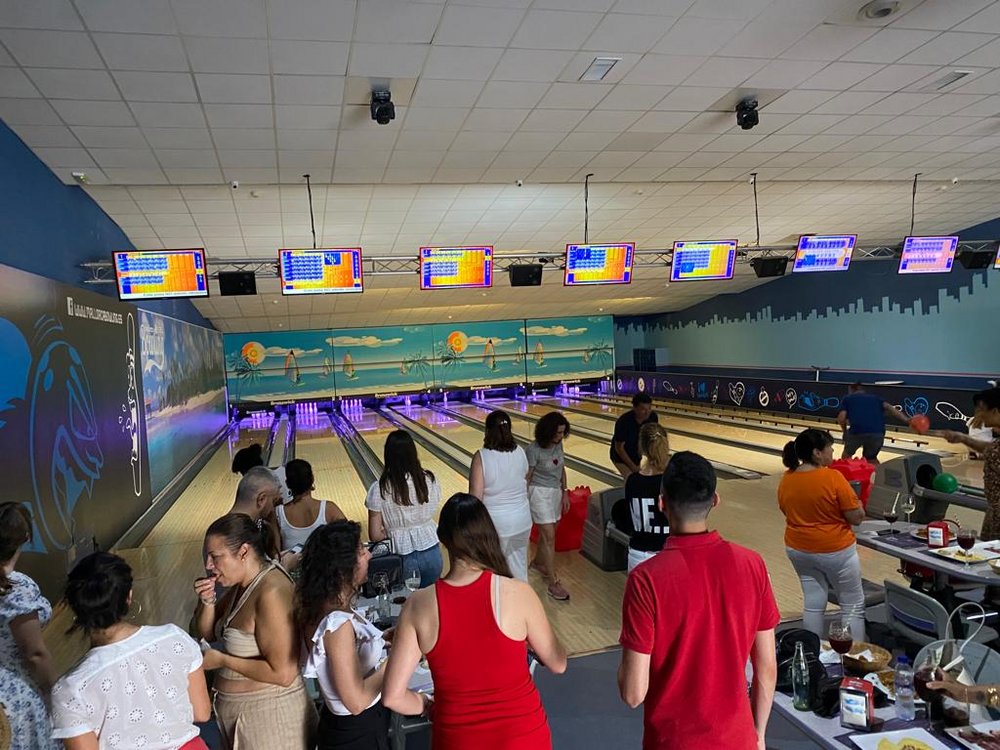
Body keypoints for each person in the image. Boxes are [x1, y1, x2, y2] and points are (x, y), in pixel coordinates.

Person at [618, 452, 779, 750]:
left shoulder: (645, 579)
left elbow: (632, 694)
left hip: (672, 742)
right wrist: (758, 735)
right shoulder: (752, 564)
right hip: (738, 739)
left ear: (661, 503)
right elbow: (767, 667)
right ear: (715, 500)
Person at [382, 493, 567, 750]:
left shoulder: (418, 605)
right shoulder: (519, 593)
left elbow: (392, 697)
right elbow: (558, 664)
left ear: (443, 539)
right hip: (524, 737)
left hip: (457, 739)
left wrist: (429, 707)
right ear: (488, 535)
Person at [51, 552, 212, 750]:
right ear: (128, 596)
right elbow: (202, 713)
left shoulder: (71, 688)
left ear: (74, 607)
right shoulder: (174, 638)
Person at [193, 514, 317, 750]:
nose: (208, 565)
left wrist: (222, 660)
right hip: (247, 720)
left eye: (215, 557)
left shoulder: (270, 592)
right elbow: (208, 634)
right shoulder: (241, 585)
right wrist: (207, 602)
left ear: (243, 551)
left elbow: (283, 674)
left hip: (272, 722)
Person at [298, 520, 390, 750]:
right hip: (356, 732)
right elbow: (356, 701)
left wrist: (384, 639)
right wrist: (396, 658)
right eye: (361, 551)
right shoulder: (336, 624)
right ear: (342, 567)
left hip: (341, 726)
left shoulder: (319, 606)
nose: (368, 555)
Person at [779, 428, 867, 642]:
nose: (833, 453)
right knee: (852, 604)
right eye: (830, 449)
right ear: (817, 453)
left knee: (813, 602)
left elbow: (785, 509)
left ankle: (813, 654)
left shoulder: (787, 478)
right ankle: (854, 657)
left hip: (798, 549)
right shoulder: (833, 477)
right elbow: (856, 517)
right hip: (835, 550)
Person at [0, 502, 58, 750]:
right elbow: (35, 654)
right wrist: (56, 692)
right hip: (15, 699)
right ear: (26, 538)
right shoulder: (16, 589)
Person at [366, 429, 444, 588]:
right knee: (432, 603)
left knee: (407, 605)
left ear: (388, 455)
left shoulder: (379, 488)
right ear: (413, 453)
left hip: (401, 556)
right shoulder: (429, 479)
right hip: (432, 552)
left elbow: (375, 535)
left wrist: (392, 531)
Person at [469, 410, 531, 581]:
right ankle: (522, 602)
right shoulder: (520, 451)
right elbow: (526, 480)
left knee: (494, 572)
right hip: (522, 520)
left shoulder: (482, 457)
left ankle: (499, 605)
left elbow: (475, 499)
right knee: (519, 568)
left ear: (487, 431)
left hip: (496, 525)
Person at [612, 423, 672, 572]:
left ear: (642, 448)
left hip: (638, 556)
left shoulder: (632, 481)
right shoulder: (671, 480)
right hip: (666, 555)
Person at [942, 387, 1000, 540]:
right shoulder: (996, 443)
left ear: (995, 411)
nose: (979, 414)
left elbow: (992, 452)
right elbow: (991, 449)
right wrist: (963, 438)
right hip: (994, 512)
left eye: (982, 410)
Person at [525, 411, 571, 601]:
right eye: (557, 433)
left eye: (562, 433)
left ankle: (537, 563)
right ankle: (553, 583)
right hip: (538, 493)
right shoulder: (533, 450)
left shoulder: (558, 444)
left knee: (551, 532)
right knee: (549, 537)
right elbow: (528, 476)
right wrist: (522, 499)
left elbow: (562, 469)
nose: (560, 437)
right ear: (547, 431)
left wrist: (565, 491)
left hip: (555, 493)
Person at [276, 458, 345, 564]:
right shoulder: (329, 509)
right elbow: (350, 539)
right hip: (322, 575)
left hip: (291, 576)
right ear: (312, 479)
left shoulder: (278, 513)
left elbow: (275, 554)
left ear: (288, 484)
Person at [837, 382, 910, 465]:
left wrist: (845, 432)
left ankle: (844, 476)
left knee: (846, 456)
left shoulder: (848, 398)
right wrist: (907, 420)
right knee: (871, 459)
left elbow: (841, 418)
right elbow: (891, 409)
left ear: (851, 389)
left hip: (856, 431)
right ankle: (878, 476)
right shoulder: (876, 398)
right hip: (877, 432)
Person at [229, 466, 284, 560]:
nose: (273, 509)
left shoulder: (252, 524)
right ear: (261, 499)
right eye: (274, 502)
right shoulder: (237, 536)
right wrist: (285, 565)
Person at [610, 393, 659, 481]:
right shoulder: (623, 422)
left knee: (638, 481)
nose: (647, 412)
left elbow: (653, 439)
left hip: (636, 455)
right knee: (631, 480)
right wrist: (633, 467)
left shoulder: (652, 417)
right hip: (620, 457)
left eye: (649, 408)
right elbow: (619, 448)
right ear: (634, 408)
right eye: (643, 409)